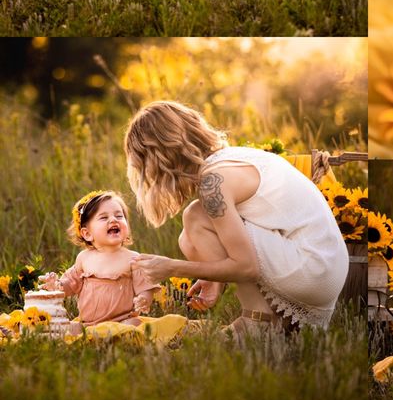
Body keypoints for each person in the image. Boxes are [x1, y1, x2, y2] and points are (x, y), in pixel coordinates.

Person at [124, 101, 348, 341]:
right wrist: (213, 278)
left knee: (195, 217)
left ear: (161, 156)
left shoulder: (214, 182)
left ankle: (258, 321)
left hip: (312, 268)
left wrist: (170, 267)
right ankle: (279, 323)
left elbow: (247, 267)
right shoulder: (234, 158)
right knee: (188, 238)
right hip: (327, 267)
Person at [42, 190, 158, 332]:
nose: (113, 220)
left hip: (122, 320)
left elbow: (145, 288)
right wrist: (57, 286)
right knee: (66, 329)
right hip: (88, 323)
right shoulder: (84, 258)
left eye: (119, 216)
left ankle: (120, 338)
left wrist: (144, 300)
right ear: (87, 233)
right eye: (103, 218)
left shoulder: (133, 259)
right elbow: (71, 284)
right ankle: (90, 335)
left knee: (134, 325)